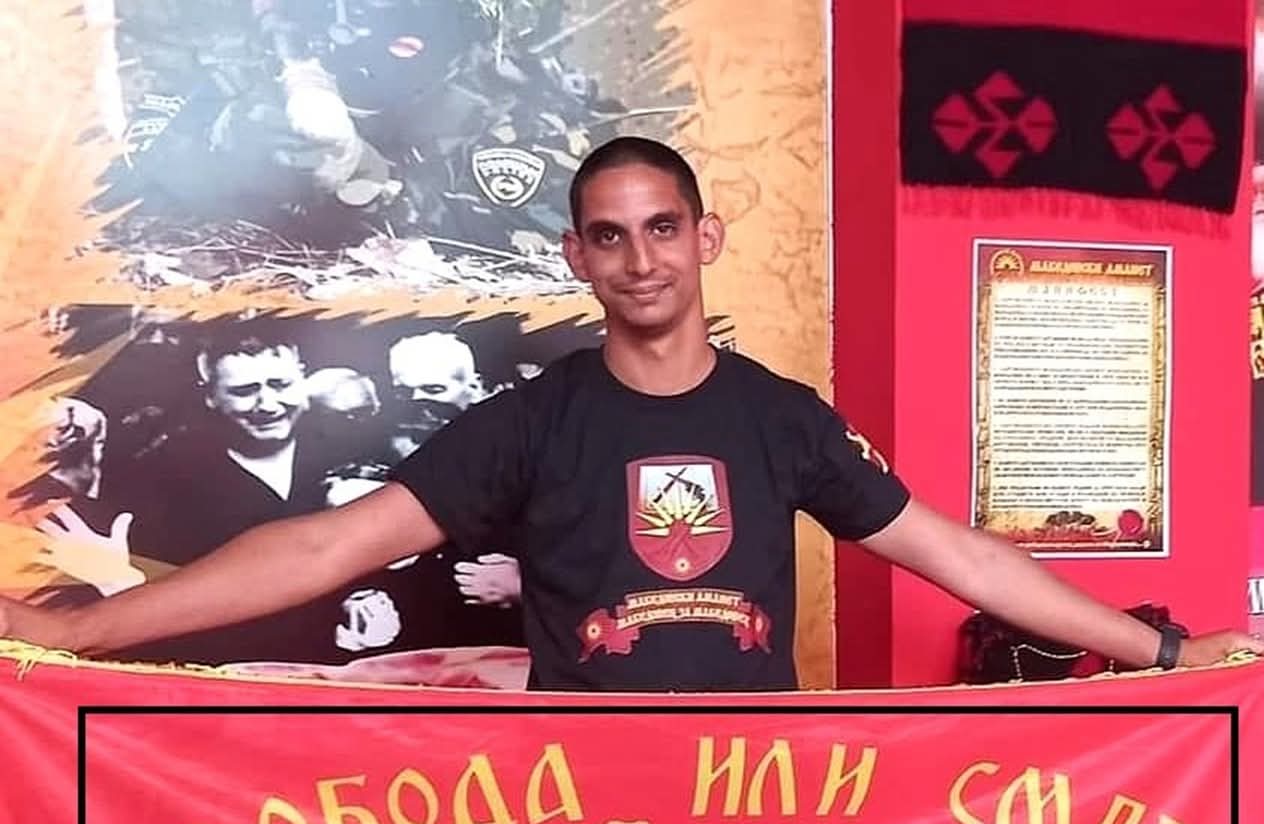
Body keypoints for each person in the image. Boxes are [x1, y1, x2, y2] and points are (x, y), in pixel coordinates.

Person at [3, 137, 1260, 688]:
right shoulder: (530, 421)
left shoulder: (781, 419)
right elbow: (326, 545)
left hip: (755, 802)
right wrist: (81, 628)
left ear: (704, 238)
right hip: (575, 803)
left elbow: (958, 556)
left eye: (662, 228)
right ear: (576, 257)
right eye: (609, 236)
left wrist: (1159, 654)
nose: (641, 258)